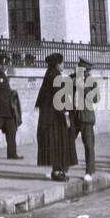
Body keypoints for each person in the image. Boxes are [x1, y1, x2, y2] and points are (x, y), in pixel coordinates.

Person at [35, 52, 77, 181]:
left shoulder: (49, 75)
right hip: (56, 119)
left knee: (54, 144)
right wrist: (66, 115)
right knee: (59, 144)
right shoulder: (56, 77)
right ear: (57, 64)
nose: (63, 65)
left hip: (48, 118)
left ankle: (57, 170)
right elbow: (61, 97)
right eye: (62, 62)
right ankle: (58, 171)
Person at [0, 51, 23, 160]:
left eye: (5, 64)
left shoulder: (4, 76)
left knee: (12, 132)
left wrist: (12, 92)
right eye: (1, 64)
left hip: (8, 111)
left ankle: (12, 153)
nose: (3, 66)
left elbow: (5, 91)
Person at [68, 57, 98, 181]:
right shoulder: (71, 78)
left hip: (86, 117)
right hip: (73, 116)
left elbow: (95, 98)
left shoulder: (91, 81)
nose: (79, 70)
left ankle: (89, 172)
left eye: (83, 69)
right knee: (67, 142)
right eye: (78, 67)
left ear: (87, 71)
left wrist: (83, 88)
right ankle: (62, 169)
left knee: (89, 145)